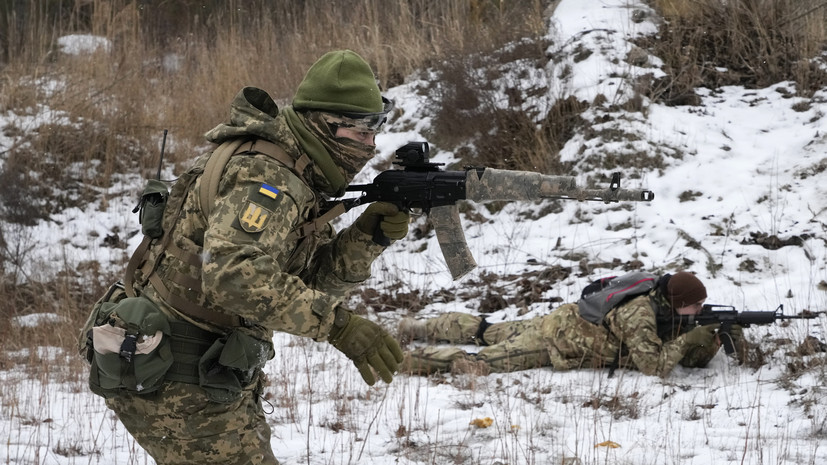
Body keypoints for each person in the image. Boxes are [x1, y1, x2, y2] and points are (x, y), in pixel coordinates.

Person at [83, 50, 407, 464]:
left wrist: (366, 238)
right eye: (361, 132)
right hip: (178, 377)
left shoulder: (292, 169)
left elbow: (297, 285)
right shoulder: (268, 178)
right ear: (323, 124)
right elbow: (235, 277)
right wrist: (339, 326)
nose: (370, 145)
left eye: (375, 131)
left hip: (205, 370)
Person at [400, 271, 747, 377]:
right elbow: (654, 364)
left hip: (562, 320)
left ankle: (417, 328)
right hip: (559, 342)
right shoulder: (640, 313)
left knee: (486, 331)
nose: (699, 309)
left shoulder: (663, 303)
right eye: (696, 306)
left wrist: (716, 337)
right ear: (677, 303)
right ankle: (398, 357)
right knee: (480, 362)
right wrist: (690, 339)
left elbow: (686, 357)